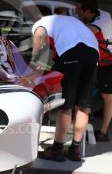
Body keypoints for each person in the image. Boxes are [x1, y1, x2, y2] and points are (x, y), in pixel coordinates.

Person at [31, 14, 99, 162]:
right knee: (83, 106)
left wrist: (33, 60)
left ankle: (56, 150)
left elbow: (40, 34)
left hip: (73, 51)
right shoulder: (68, 20)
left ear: (38, 17)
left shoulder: (41, 23)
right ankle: (75, 149)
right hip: (93, 53)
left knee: (66, 106)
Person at [72, 0, 112, 142]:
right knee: (83, 93)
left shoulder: (104, 18)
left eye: (78, 8)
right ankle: (79, 125)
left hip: (109, 61)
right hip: (92, 60)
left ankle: (104, 132)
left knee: (107, 96)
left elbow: (86, 32)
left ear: (88, 11)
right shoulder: (81, 15)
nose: (75, 11)